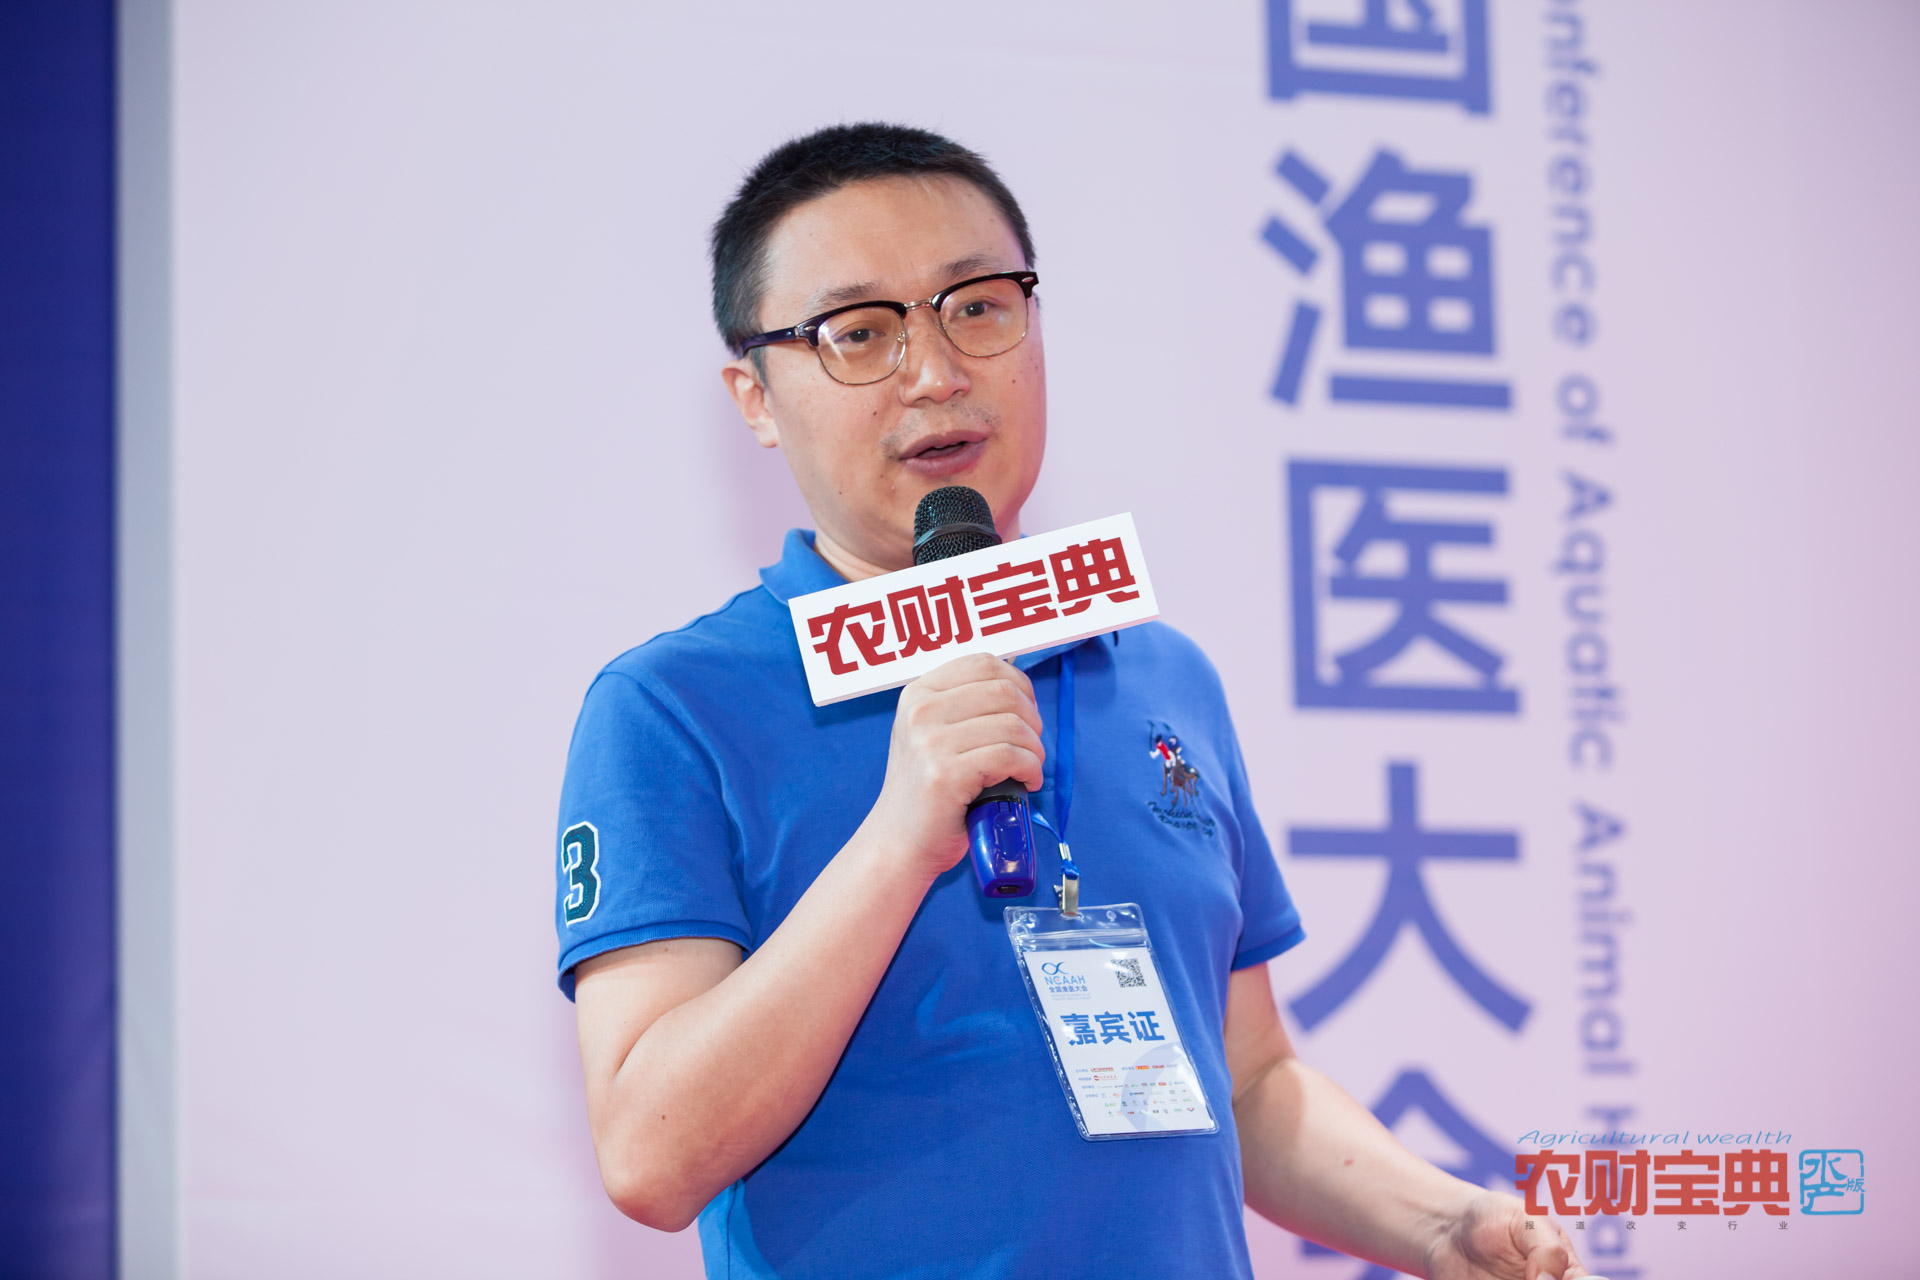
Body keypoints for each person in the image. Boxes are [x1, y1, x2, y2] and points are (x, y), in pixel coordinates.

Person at [556, 122, 1598, 1280]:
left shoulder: (1159, 672)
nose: (936, 371)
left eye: (978, 306)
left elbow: (1247, 1078)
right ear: (755, 396)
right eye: (859, 332)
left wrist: (1445, 1225)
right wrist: (901, 838)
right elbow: (649, 1154)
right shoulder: (674, 708)